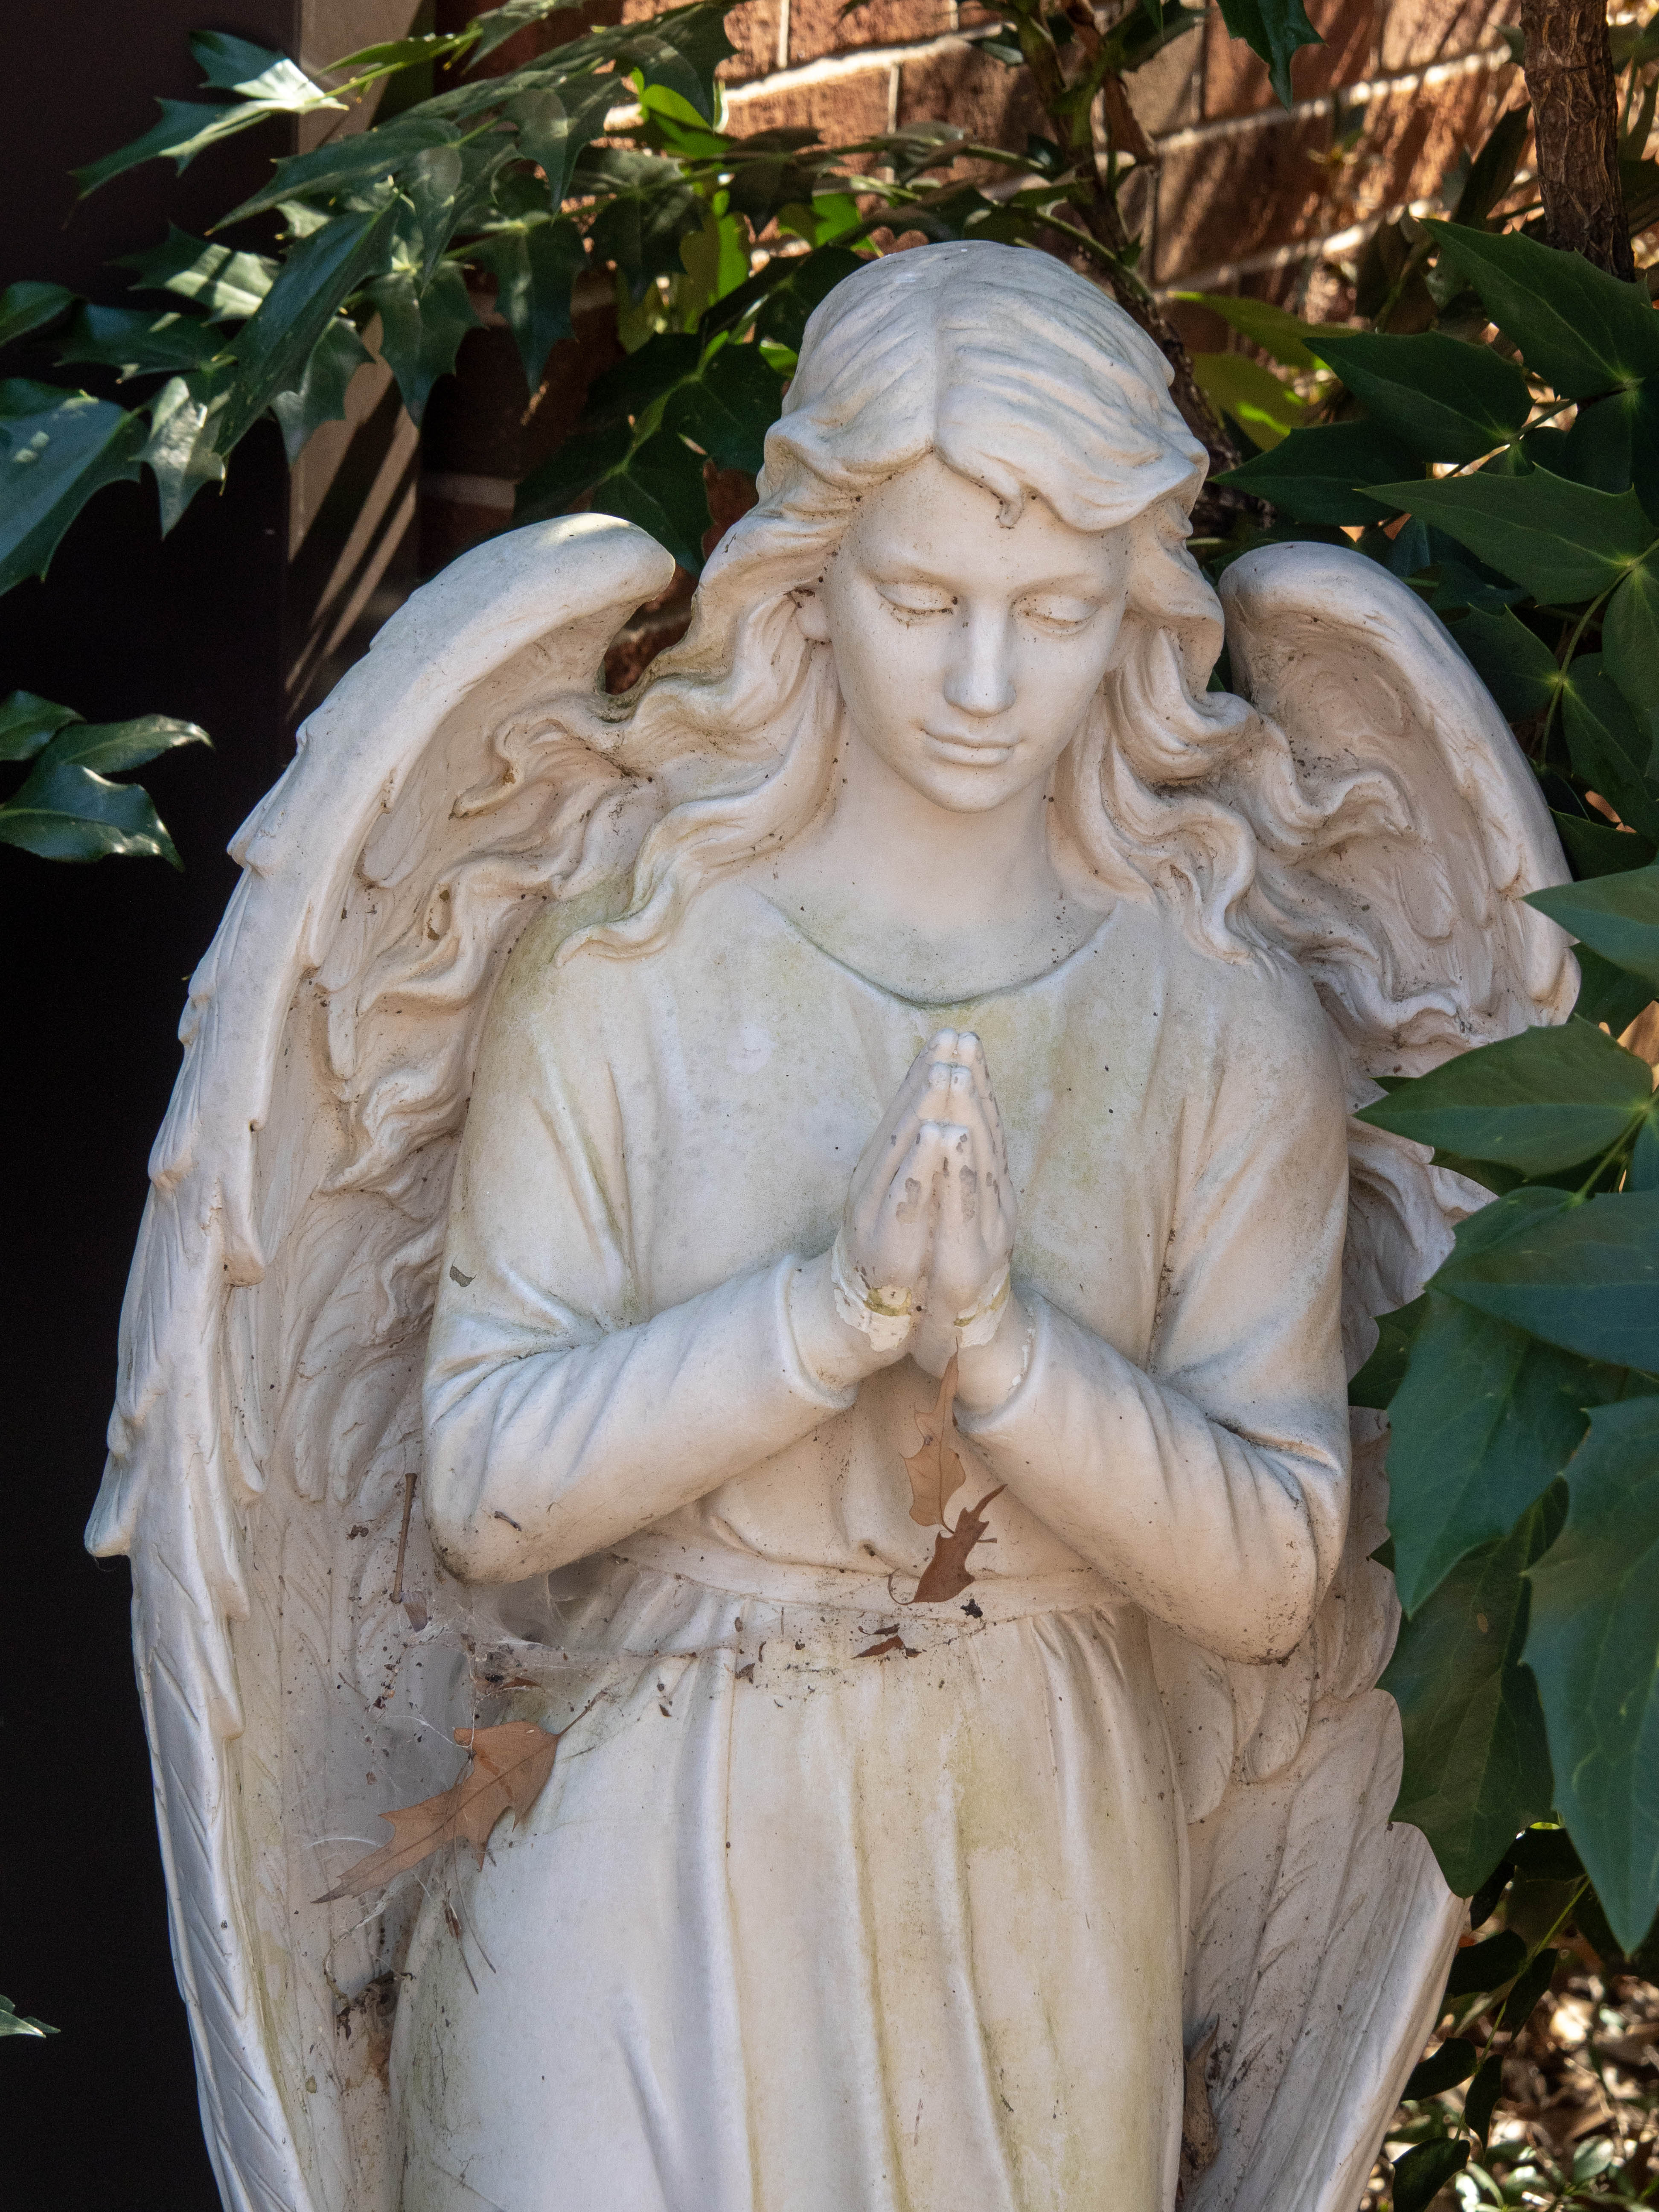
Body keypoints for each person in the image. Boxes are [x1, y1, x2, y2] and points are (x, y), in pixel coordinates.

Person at [396, 240, 1351, 2212]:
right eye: (923, 604)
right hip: (652, 1808)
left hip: (1021, 1841)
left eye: (1055, 614)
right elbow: (484, 1487)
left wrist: (1004, 1353)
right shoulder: (629, 974)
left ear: (1134, 620)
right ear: (808, 585)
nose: (986, 684)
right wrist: (825, 1319)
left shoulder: (1215, 1024)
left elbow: (1273, 1575)